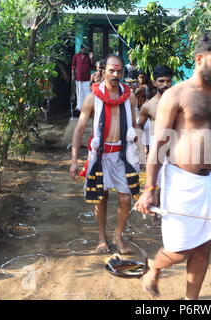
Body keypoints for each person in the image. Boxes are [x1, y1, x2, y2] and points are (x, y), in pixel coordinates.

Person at [134, 32, 211, 300]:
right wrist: (149, 188)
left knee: (204, 247)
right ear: (199, 59)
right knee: (180, 250)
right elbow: (158, 145)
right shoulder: (176, 95)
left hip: (209, 181)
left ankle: (191, 302)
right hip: (180, 181)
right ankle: (154, 268)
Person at [70, 54, 140, 254]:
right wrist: (74, 161)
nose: (115, 74)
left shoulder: (130, 97)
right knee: (101, 198)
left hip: (123, 154)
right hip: (100, 156)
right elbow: (79, 130)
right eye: (111, 70)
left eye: (119, 71)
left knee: (126, 198)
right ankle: (102, 238)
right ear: (102, 72)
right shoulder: (92, 98)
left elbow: (134, 127)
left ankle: (118, 237)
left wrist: (140, 154)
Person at [138, 65, 174, 155]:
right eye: (161, 81)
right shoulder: (148, 106)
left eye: (168, 81)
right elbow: (139, 127)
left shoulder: (180, 102)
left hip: (178, 154)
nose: (165, 84)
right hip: (158, 155)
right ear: (154, 83)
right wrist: (143, 148)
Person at [72, 45, 94, 112]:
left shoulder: (88, 56)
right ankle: (79, 107)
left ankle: (88, 106)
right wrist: (73, 75)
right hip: (78, 77)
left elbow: (92, 66)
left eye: (86, 50)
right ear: (81, 49)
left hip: (87, 77)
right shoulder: (76, 56)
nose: (85, 51)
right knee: (79, 93)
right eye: (84, 49)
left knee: (87, 92)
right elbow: (73, 66)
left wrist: (91, 58)